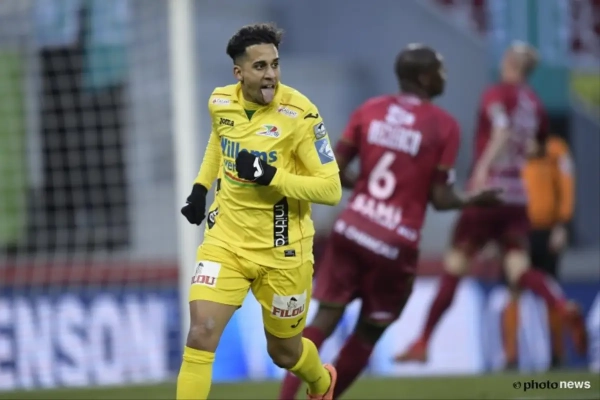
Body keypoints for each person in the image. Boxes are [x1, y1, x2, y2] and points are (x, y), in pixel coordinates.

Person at [278, 43, 503, 400]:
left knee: (324, 320)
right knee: (367, 333)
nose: (444, 77)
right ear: (424, 77)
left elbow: (332, 169)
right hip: (394, 245)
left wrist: (364, 186)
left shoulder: (370, 110)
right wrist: (472, 199)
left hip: (351, 228)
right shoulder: (444, 125)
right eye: (440, 70)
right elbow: (441, 198)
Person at [176, 23, 342, 400]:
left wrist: (271, 176)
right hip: (226, 242)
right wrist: (201, 188)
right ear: (239, 72)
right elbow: (219, 141)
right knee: (200, 333)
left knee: (284, 352)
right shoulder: (220, 102)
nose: (270, 75)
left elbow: (331, 189)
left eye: (275, 65)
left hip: (284, 251)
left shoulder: (300, 114)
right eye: (260, 66)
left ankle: (321, 382)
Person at [395, 42, 587, 364]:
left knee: (455, 266)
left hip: (489, 193)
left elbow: (501, 129)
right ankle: (560, 305)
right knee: (519, 269)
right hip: (517, 197)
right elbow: (539, 147)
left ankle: (423, 341)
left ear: (510, 63)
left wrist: (483, 168)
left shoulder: (496, 94)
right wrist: (518, 154)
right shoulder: (535, 103)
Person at [502, 132, 577, 368]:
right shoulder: (511, 148)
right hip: (518, 231)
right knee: (514, 288)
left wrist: (562, 224)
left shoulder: (556, 149)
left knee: (550, 289)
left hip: (546, 230)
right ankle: (511, 359)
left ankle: (557, 355)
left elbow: (566, 186)